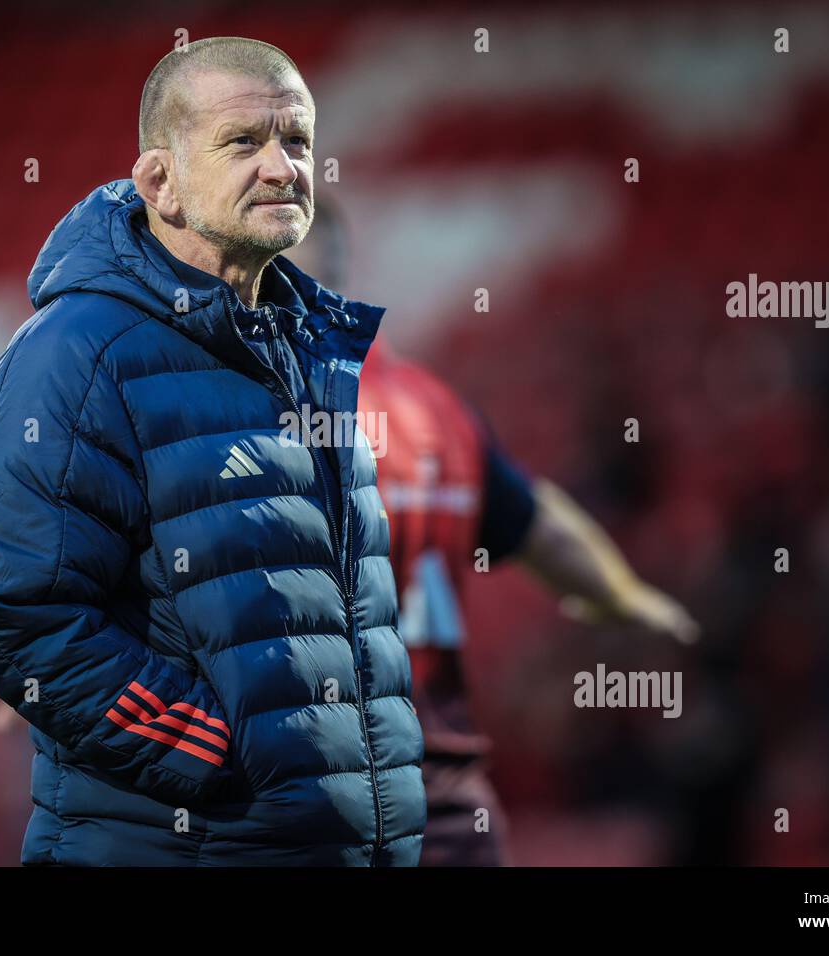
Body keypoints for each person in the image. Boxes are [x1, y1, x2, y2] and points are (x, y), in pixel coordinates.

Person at [0, 36, 425, 866]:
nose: (283, 168)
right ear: (160, 184)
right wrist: (213, 754)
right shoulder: (77, 352)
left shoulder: (309, 348)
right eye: (244, 143)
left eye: (298, 142)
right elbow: (21, 617)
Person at [287, 202, 699, 866]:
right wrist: (627, 595)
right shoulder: (439, 413)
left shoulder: (264, 415)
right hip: (442, 802)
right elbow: (545, 530)